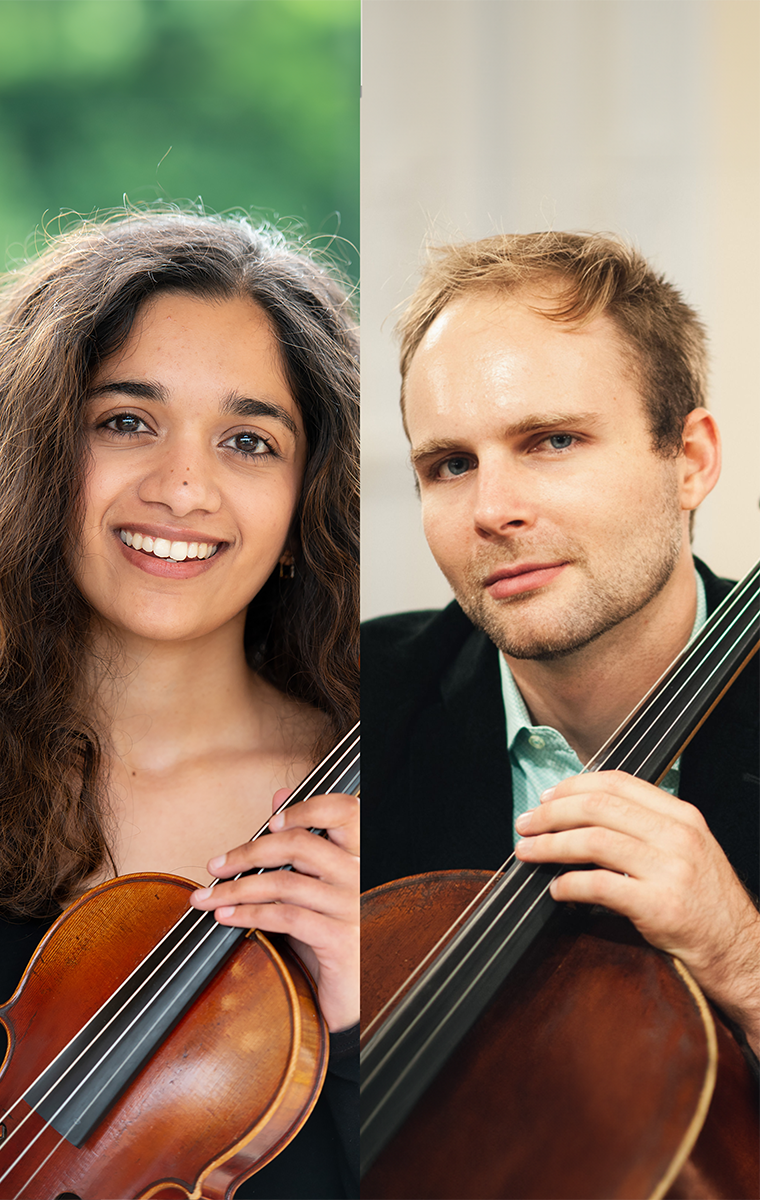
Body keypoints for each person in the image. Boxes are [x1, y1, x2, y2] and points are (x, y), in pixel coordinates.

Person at [0, 212, 362, 1196]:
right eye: (127, 421)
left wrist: (363, 1014)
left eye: (248, 441)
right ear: (44, 454)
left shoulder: (381, 816)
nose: (183, 487)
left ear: (308, 496)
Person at [362, 231, 760, 1078]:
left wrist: (742, 957)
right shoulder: (351, 699)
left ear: (689, 461)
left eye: (552, 441)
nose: (492, 509)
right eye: (450, 464)